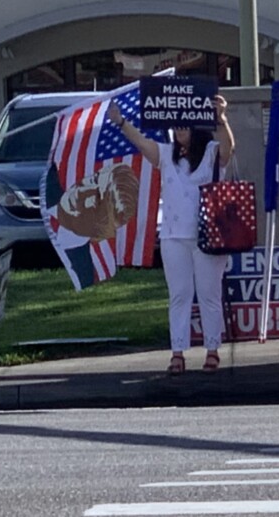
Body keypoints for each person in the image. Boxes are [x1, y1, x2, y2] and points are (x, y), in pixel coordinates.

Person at [108, 95, 234, 375]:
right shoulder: (166, 154)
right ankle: (177, 351)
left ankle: (212, 349)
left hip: (207, 237)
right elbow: (142, 143)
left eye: (185, 127)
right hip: (173, 236)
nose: (179, 131)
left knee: (209, 294)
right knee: (179, 294)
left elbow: (229, 148)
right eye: (176, 127)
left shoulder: (212, 153)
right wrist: (121, 123)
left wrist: (221, 119)